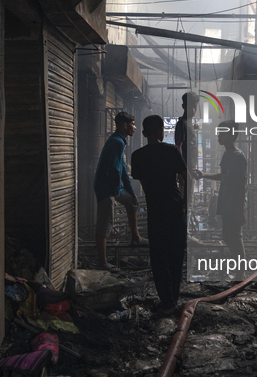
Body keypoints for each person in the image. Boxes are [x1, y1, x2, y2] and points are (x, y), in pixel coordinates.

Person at [131, 115, 187, 316]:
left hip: (156, 211)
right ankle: (172, 300)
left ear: (144, 133)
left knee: (159, 257)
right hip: (175, 208)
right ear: (162, 132)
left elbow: (145, 185)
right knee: (176, 256)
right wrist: (186, 204)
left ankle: (167, 301)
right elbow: (185, 178)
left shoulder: (137, 156)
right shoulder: (171, 150)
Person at [194, 120, 247, 282]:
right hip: (225, 202)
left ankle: (241, 274)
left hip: (234, 203)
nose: (218, 136)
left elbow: (241, 184)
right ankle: (239, 270)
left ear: (231, 135)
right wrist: (204, 174)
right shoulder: (227, 155)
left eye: (221, 133)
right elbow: (223, 177)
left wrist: (239, 209)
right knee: (226, 236)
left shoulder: (239, 157)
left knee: (236, 237)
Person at [94, 111, 146, 272]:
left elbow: (122, 168)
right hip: (105, 187)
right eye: (133, 124)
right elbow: (114, 169)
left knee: (132, 201)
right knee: (106, 222)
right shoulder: (117, 142)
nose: (135, 128)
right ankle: (102, 262)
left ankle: (135, 237)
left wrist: (130, 191)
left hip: (112, 185)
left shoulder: (119, 141)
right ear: (125, 125)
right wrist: (117, 189)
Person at [175, 92, 200, 206]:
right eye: (190, 106)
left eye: (195, 107)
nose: (193, 109)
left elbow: (187, 139)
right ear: (183, 106)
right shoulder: (182, 124)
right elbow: (178, 147)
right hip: (186, 171)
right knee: (185, 204)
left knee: (188, 202)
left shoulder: (188, 124)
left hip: (190, 170)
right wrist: (182, 171)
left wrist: (195, 131)